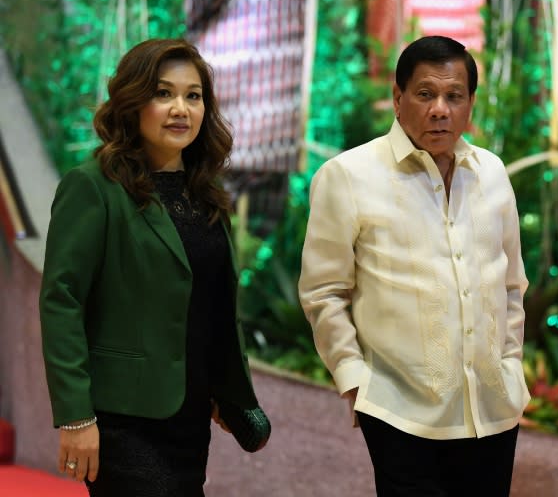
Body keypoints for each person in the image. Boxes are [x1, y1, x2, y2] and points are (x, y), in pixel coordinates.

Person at [298, 35, 530, 497]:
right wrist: (353, 380)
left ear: (470, 104)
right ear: (398, 97)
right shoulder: (349, 177)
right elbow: (324, 292)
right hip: (399, 412)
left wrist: (509, 364)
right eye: (425, 94)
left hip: (493, 408)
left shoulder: (492, 173)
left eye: (453, 96)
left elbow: (511, 285)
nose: (439, 109)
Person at [39, 38, 266, 496]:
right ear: (132, 100)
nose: (180, 108)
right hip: (124, 419)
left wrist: (226, 386)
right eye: (163, 93)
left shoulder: (206, 193)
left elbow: (211, 302)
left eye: (193, 96)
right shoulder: (93, 187)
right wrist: (75, 417)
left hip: (189, 414)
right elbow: (61, 302)